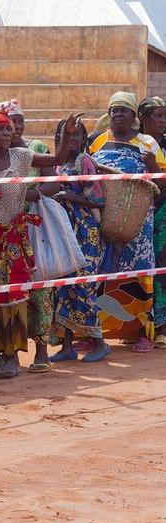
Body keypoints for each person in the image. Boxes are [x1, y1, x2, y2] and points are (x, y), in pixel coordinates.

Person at [0, 109, 82, 378]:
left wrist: (66, 135)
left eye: (9, 129)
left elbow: (58, 160)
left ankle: (12, 354)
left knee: (14, 294)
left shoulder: (21, 157)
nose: (7, 132)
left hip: (14, 236)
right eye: (0, 129)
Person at [88, 92, 166, 354]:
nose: (118, 114)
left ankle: (144, 332)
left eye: (124, 110)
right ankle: (100, 330)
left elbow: (162, 183)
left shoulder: (147, 143)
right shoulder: (99, 141)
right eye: (114, 110)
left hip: (139, 221)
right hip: (105, 217)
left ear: (134, 117)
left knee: (140, 270)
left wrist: (154, 166)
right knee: (105, 270)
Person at [0, 100, 60, 372]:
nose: (16, 127)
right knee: (5, 290)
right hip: (3, 231)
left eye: (20, 121)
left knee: (39, 288)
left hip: (32, 228)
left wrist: (31, 194)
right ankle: (4, 350)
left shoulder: (35, 149)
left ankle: (42, 351)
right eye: (10, 122)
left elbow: (55, 183)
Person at [49, 119, 113, 363]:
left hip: (86, 230)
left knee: (83, 286)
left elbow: (98, 200)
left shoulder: (84, 162)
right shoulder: (58, 164)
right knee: (64, 287)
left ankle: (99, 342)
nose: (72, 140)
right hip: (64, 230)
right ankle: (67, 346)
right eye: (67, 135)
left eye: (77, 136)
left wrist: (69, 196)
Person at [139, 97, 166, 347]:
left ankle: (161, 327)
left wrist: (154, 167)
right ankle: (141, 328)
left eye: (164, 115)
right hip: (140, 215)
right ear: (144, 119)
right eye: (158, 115)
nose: (163, 120)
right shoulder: (134, 145)